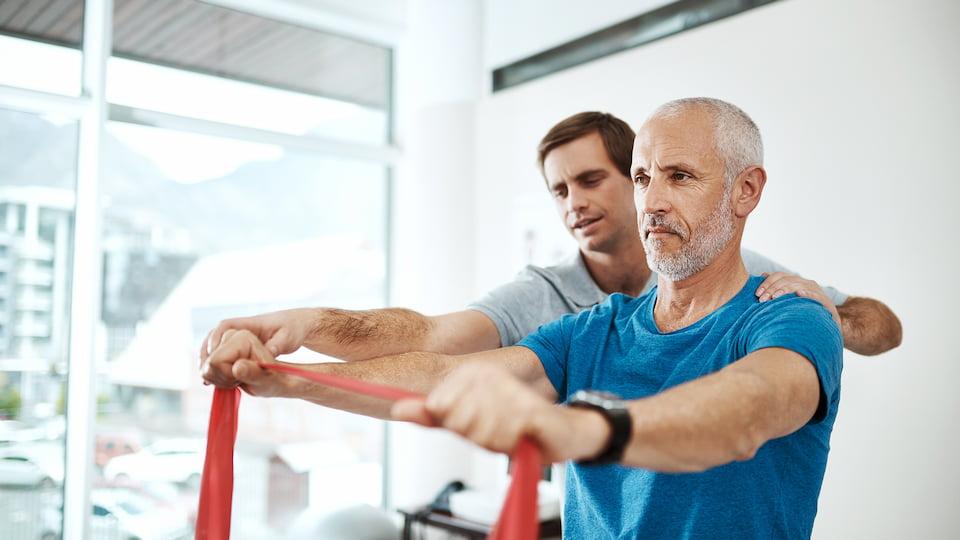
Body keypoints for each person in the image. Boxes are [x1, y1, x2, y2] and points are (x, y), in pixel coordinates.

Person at [202, 98, 846, 537]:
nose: (651, 201)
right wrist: (286, 376)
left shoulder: (790, 315)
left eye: (679, 176)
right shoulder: (593, 326)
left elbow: (746, 411)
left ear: (746, 191)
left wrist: (583, 429)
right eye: (643, 178)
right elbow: (440, 367)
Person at [199, 113, 900, 368]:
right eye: (559, 191)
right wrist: (302, 327)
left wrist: (826, 313)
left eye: (591, 180)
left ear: (637, 180)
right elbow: (430, 336)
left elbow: (882, 328)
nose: (575, 204)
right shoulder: (543, 296)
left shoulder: (743, 278)